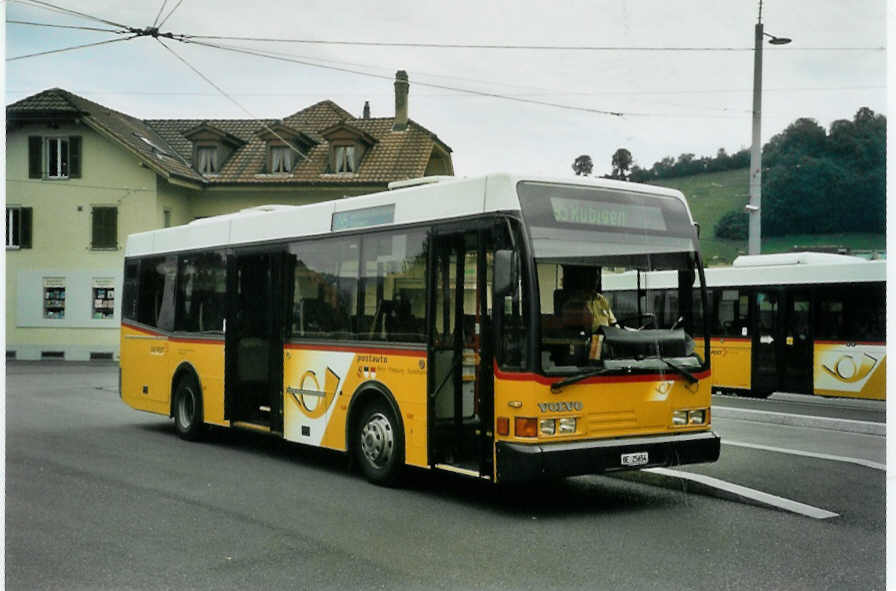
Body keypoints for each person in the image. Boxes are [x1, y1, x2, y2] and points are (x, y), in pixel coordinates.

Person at [561, 265, 616, 330]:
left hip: (606, 337)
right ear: (584, 278)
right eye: (592, 277)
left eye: (597, 277)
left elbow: (612, 322)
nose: (596, 281)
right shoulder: (574, 303)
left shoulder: (601, 299)